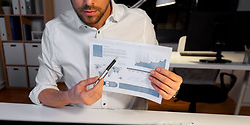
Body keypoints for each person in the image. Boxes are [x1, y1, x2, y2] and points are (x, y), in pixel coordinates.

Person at [29, 0, 182, 109]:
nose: (88, 3)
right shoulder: (55, 29)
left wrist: (169, 88)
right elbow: (42, 90)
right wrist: (69, 97)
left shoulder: (140, 21)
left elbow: (155, 77)